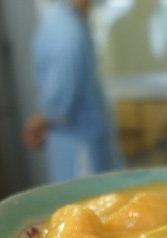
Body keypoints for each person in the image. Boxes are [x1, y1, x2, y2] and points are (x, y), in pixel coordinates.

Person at [24, 0, 124, 182]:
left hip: (82, 137)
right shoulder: (66, 32)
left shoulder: (69, 21)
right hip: (80, 146)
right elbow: (60, 95)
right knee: (87, 195)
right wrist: (43, 118)